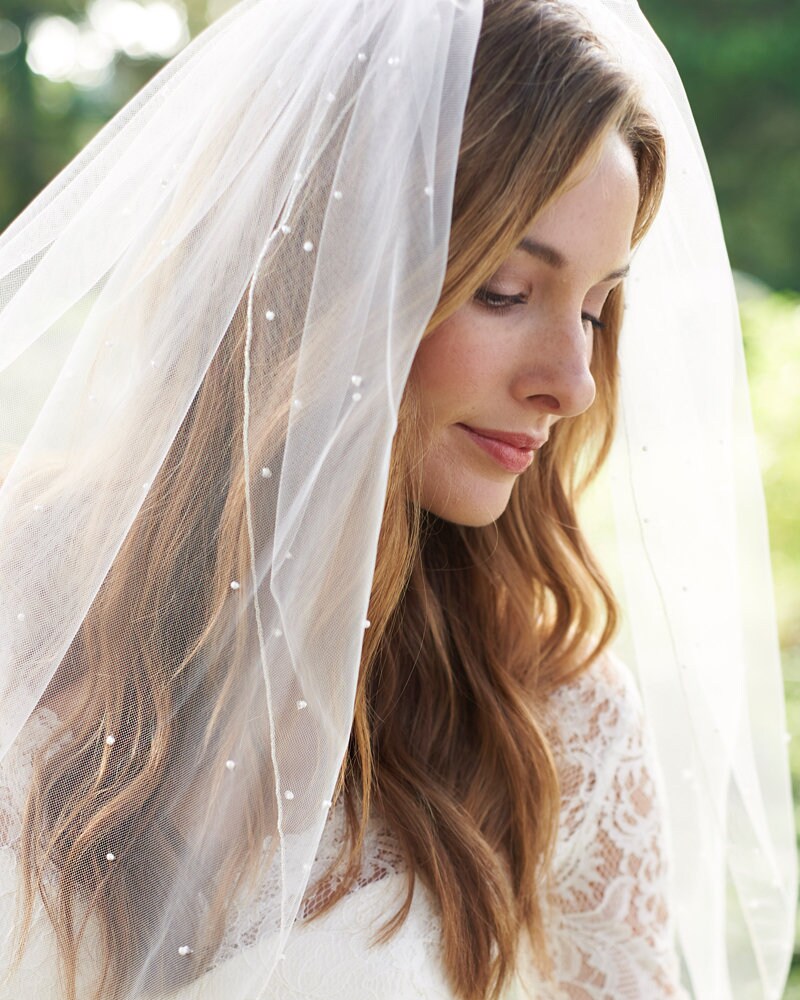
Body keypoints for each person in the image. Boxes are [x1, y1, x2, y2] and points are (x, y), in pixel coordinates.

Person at [0, 0, 794, 998]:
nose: (572, 380)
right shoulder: (21, 581)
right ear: (328, 269)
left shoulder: (556, 731)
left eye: (595, 309)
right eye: (505, 291)